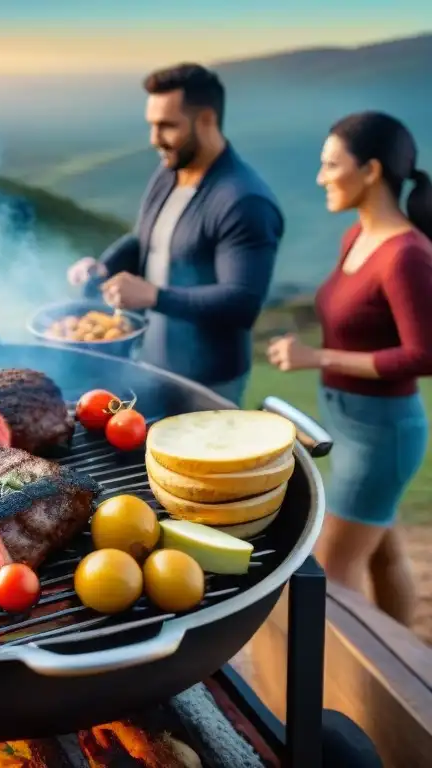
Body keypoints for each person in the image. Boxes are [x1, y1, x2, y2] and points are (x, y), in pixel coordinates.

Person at [267, 112, 432, 626]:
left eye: (330, 165)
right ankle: (413, 669)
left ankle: (336, 694)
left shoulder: (406, 255)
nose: (320, 177)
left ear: (371, 170)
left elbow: (424, 354)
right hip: (344, 419)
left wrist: (317, 357)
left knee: (330, 577)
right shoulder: (356, 237)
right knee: (383, 552)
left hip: (384, 432)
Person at [67, 64, 284, 406]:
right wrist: (105, 266)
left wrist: (153, 295)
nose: (154, 139)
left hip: (209, 384)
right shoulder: (171, 170)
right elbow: (147, 239)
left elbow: (242, 303)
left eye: (167, 126)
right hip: (152, 366)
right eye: (152, 125)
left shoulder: (244, 201)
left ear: (207, 120)